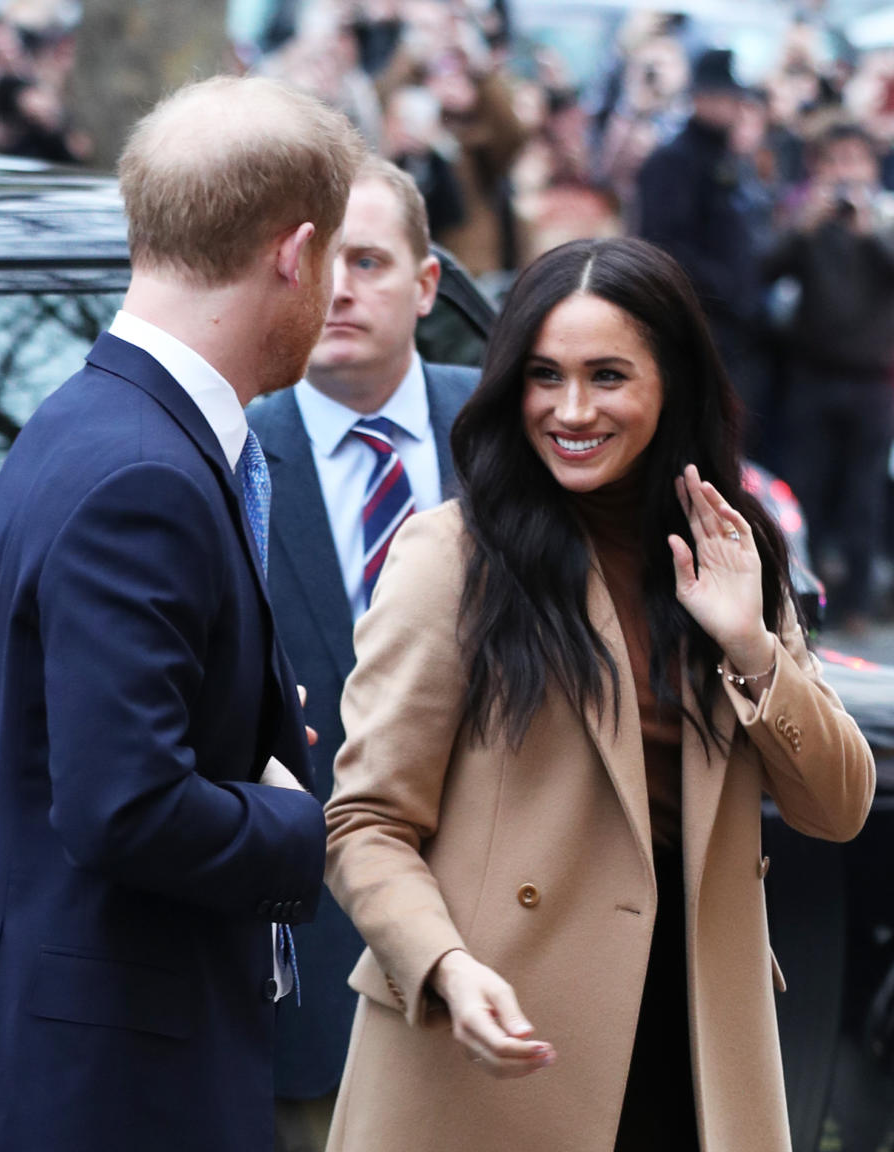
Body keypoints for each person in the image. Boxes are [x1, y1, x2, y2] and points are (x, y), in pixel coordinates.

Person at [323, 237, 875, 1152]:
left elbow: (838, 809)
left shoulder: (729, 552)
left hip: (696, 1043)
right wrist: (446, 966)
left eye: (608, 376)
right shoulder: (451, 557)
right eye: (544, 376)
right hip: (499, 1040)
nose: (571, 410)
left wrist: (748, 643)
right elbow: (367, 823)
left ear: (673, 384)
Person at [0, 75, 364, 1152]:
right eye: (339, 258)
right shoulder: (145, 473)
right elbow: (124, 804)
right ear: (293, 252)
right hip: (103, 1080)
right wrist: (297, 820)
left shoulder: (86, 417)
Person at [247, 155, 477, 1152]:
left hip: (520, 957)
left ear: (428, 286)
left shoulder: (525, 431)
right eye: (321, 260)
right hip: (319, 975)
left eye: (372, 261)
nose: (341, 288)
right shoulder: (231, 455)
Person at [763, 122, 894, 632]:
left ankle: (857, 604)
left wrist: (871, 233)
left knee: (863, 495)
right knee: (805, 493)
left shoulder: (883, 220)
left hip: (871, 383)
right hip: (810, 377)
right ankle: (801, 600)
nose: (845, 173)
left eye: (854, 160)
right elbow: (761, 273)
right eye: (835, 161)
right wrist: (801, 229)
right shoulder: (805, 221)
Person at [636, 49, 769, 459]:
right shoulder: (671, 161)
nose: (729, 107)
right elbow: (663, 246)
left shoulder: (731, 160)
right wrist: (724, 287)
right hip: (699, 323)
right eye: (720, 97)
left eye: (733, 99)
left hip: (739, 330)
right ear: (698, 98)